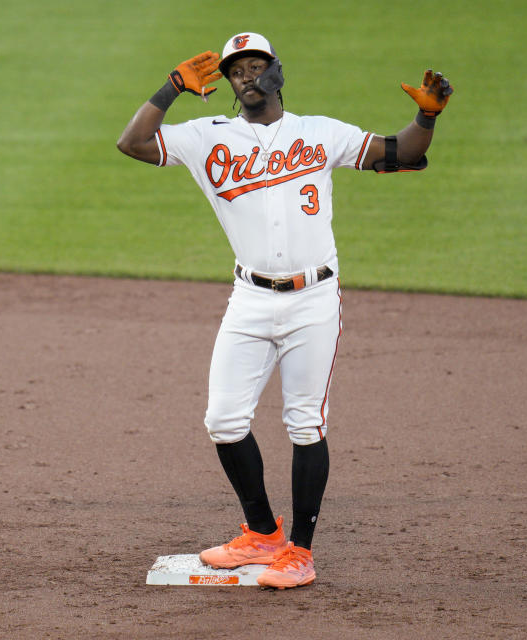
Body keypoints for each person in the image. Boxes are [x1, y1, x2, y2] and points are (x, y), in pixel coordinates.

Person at [117, 32, 452, 589]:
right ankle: (262, 532)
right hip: (248, 299)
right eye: (236, 70)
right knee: (223, 421)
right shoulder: (206, 137)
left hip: (313, 299)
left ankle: (300, 550)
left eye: (256, 65)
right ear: (227, 84)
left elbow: (402, 153)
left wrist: (428, 118)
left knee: (305, 422)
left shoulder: (318, 132)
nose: (246, 76)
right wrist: (172, 87)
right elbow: (132, 143)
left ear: (277, 72)